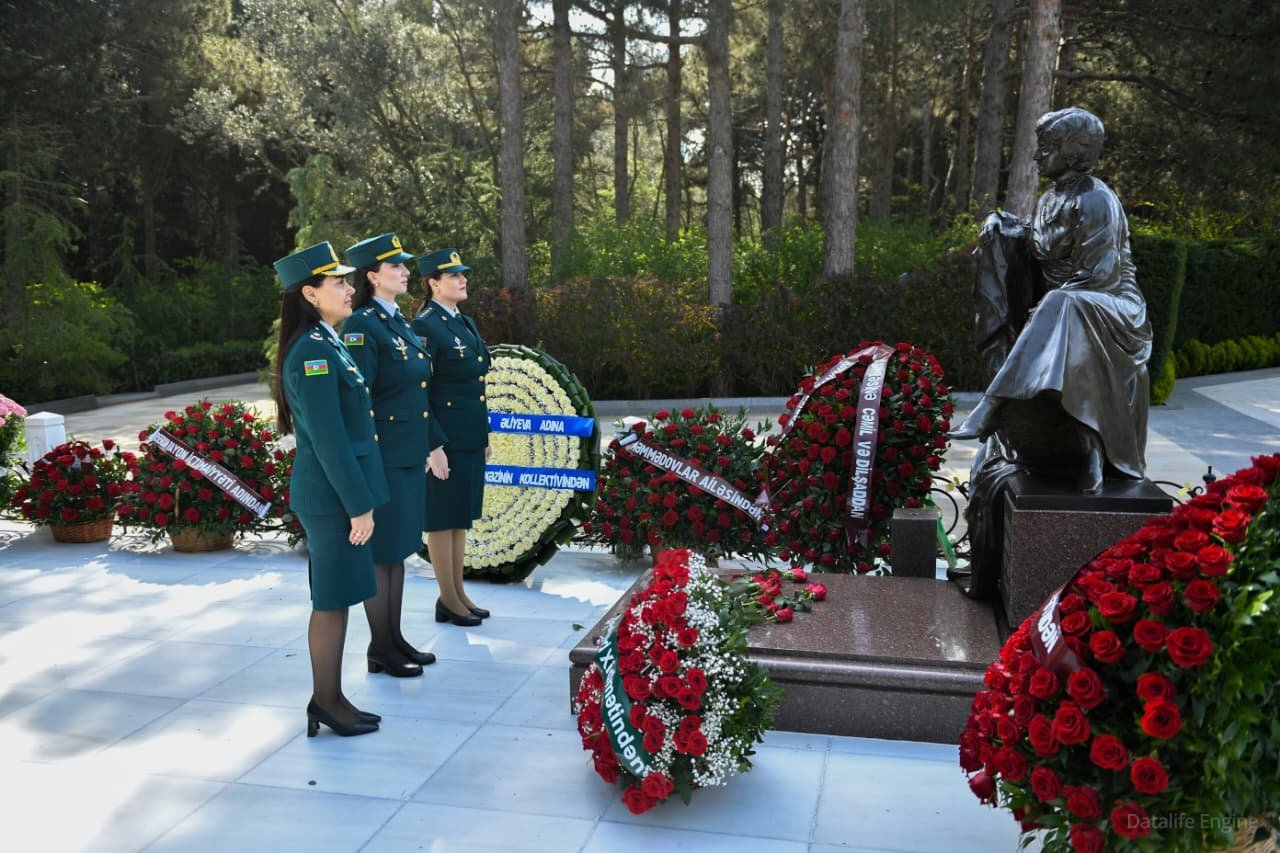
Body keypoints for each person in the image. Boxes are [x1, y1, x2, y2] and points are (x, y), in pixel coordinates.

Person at [952, 107, 1152, 495]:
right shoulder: (1050, 199)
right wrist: (1004, 232)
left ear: (1072, 151)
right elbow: (1040, 253)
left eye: (1046, 147)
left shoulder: (1096, 199)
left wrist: (1045, 309)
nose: (1036, 155)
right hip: (1066, 307)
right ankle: (1079, 449)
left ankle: (992, 405)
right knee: (1059, 303)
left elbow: (1102, 276)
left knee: (1061, 304)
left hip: (1114, 306)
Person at [273, 241, 388, 737]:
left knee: (338, 597)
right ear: (310, 294)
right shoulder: (312, 353)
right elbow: (328, 441)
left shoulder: (327, 340)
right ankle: (324, 701)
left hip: (336, 494)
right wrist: (358, 506)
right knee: (331, 599)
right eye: (337, 282)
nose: (348, 288)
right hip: (330, 498)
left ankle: (333, 698)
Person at [342, 232, 445, 677]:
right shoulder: (362, 325)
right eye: (396, 266)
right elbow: (358, 399)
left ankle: (393, 639)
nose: (405, 272)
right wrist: (367, 459)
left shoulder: (396, 320)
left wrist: (430, 443)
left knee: (398, 550)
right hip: (384, 457)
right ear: (372, 276)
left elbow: (417, 392)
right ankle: (380, 647)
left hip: (406, 454)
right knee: (383, 552)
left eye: (405, 265)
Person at [410, 248, 491, 627]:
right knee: (442, 519)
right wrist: (433, 445)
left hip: (468, 435)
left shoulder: (463, 321)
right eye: (454, 275)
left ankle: (457, 594)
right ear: (433, 283)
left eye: (463, 274)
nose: (463, 280)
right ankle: (448, 598)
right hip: (444, 439)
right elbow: (419, 391)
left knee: (459, 517)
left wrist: (483, 434)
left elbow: (475, 385)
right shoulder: (425, 325)